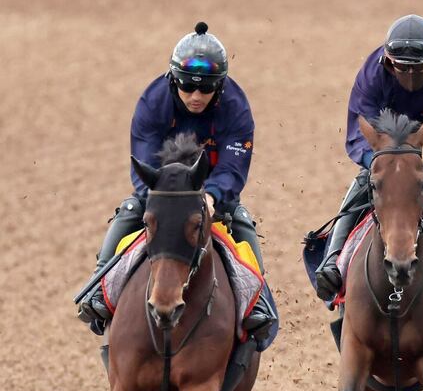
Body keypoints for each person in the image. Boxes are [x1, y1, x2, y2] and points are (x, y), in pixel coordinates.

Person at [78, 21, 276, 338]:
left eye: (206, 88)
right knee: (129, 212)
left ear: (220, 87)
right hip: (163, 193)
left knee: (242, 225)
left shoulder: (236, 107)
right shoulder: (152, 101)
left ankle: (258, 302)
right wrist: (157, 196)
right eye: (187, 86)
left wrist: (210, 196)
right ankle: (100, 288)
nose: (196, 96)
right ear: (173, 81)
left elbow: (233, 167)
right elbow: (144, 161)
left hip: (211, 195)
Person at [315, 14, 423, 304]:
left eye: (419, 69)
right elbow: (356, 135)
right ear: (387, 62)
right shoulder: (371, 76)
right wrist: (378, 162)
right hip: (388, 130)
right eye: (402, 69)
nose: (410, 77)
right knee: (368, 179)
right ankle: (333, 261)